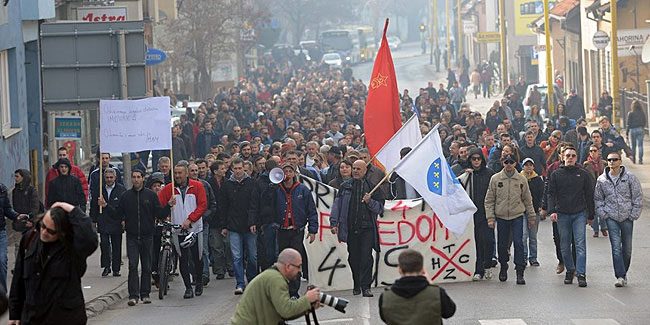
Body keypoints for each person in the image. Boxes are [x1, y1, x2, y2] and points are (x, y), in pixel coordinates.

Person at [9, 202, 98, 324]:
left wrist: (73, 211)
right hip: (33, 317)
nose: (44, 233)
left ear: (62, 232)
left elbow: (90, 239)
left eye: (51, 231)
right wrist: (15, 314)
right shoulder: (30, 239)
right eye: (42, 226)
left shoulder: (72, 248)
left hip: (64, 318)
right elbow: (18, 279)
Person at [330, 160, 385, 297]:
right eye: (353, 168)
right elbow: (337, 205)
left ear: (365, 171)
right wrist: (334, 223)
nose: (355, 171)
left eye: (358, 169)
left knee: (366, 257)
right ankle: (356, 284)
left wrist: (369, 202)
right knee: (353, 257)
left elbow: (379, 208)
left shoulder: (373, 188)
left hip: (367, 228)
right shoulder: (345, 186)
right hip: (351, 228)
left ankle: (366, 286)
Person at [230, 248, 321, 325]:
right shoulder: (276, 280)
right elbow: (286, 311)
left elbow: (282, 313)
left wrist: (307, 306)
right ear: (288, 266)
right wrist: (307, 299)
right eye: (298, 267)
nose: (299, 271)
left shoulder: (273, 276)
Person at [484, 154, 536, 285]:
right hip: (501, 217)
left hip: (517, 215)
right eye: (506, 162)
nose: (508, 164)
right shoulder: (495, 179)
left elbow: (527, 199)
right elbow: (489, 200)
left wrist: (531, 216)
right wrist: (490, 218)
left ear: (515, 163)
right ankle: (503, 266)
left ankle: (520, 271)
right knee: (502, 245)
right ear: (503, 163)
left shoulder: (521, 179)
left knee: (519, 243)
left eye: (511, 162)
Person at [158, 164, 207, 299]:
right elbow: (159, 204)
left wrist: (190, 220)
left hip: (195, 229)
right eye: (175, 173)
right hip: (177, 230)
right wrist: (167, 207)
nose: (178, 176)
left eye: (180, 173)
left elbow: (202, 205)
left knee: (197, 258)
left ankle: (198, 282)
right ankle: (188, 288)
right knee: (183, 259)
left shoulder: (197, 186)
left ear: (186, 174)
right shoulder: (169, 189)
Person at [548, 147, 595, 287]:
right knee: (564, 246)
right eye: (568, 155)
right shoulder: (556, 174)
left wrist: (590, 215)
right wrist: (552, 211)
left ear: (576, 158)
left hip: (579, 214)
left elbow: (589, 194)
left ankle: (581, 274)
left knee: (580, 245)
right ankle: (570, 270)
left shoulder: (583, 174)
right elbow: (551, 193)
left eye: (573, 156)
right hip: (562, 214)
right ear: (562, 157)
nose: (570, 158)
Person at [594, 151, 643, 287]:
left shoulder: (630, 178)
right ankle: (620, 276)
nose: (612, 162)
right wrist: (603, 214)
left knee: (626, 248)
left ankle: (624, 272)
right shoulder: (602, 180)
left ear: (620, 161)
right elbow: (598, 198)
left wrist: (633, 214)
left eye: (615, 160)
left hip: (627, 217)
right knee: (616, 246)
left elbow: (637, 196)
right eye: (609, 160)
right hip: (611, 217)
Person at [118, 170, 162, 306]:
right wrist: (105, 206)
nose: (136, 180)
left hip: (147, 236)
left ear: (143, 179)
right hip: (131, 236)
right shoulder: (126, 196)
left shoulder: (151, 196)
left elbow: (160, 212)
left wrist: (169, 205)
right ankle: (133, 295)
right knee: (132, 265)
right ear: (131, 179)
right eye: (134, 177)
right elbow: (118, 213)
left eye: (138, 177)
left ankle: (145, 294)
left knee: (147, 266)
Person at [274, 163, 318, 298]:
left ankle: (294, 291)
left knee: (295, 261)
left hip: (296, 231)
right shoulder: (276, 190)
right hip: (282, 230)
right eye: (285, 171)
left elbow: (311, 211)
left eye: (290, 171)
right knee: (283, 262)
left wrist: (312, 230)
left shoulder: (303, 190)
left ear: (294, 174)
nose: (287, 174)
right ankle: (284, 290)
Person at [379, 249, 456, 324]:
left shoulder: (386, 297)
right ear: (422, 269)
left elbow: (385, 318)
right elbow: (449, 312)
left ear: (400, 269)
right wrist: (431, 284)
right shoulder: (436, 293)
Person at [219, 158, 259, 295]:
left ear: (244, 169)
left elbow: (255, 204)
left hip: (249, 226)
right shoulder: (227, 185)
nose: (237, 171)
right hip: (233, 226)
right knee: (237, 257)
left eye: (240, 168)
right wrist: (224, 226)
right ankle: (240, 283)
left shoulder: (252, 183)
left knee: (253, 256)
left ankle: (252, 281)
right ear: (232, 170)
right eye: (235, 169)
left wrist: (253, 222)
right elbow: (223, 206)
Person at [463, 148, 495, 280]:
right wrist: (466, 176)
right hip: (472, 213)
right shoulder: (467, 175)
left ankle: (487, 264)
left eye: (478, 158)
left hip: (487, 212)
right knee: (477, 242)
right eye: (473, 159)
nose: (476, 161)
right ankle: (479, 269)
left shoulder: (489, 174)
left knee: (488, 240)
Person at [90, 168, 126, 277]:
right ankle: (106, 266)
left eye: (111, 177)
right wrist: (93, 220)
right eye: (107, 178)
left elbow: (124, 207)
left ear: (115, 178)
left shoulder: (121, 190)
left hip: (116, 221)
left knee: (116, 246)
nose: (109, 180)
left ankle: (116, 269)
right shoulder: (99, 190)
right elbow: (93, 206)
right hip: (103, 220)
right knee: (104, 244)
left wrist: (124, 219)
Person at [188, 163, 217, 288]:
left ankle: (204, 274)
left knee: (202, 249)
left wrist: (204, 217)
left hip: (202, 223)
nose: (195, 172)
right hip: (187, 224)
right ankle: (194, 274)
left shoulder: (205, 185)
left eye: (196, 170)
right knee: (189, 251)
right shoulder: (183, 187)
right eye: (192, 170)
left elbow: (212, 204)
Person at [208, 160, 234, 279]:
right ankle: (219, 269)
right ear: (215, 171)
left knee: (228, 245)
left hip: (227, 219)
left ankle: (230, 267)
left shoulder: (228, 183)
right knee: (216, 246)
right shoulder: (209, 184)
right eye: (222, 169)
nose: (225, 170)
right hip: (214, 220)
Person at [521, 158, 544, 266]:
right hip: (521, 211)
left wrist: (540, 206)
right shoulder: (519, 179)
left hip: (534, 211)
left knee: (533, 236)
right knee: (523, 235)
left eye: (530, 165)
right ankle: (524, 256)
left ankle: (533, 257)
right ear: (523, 167)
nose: (528, 167)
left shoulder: (538, 180)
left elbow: (541, 193)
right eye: (526, 165)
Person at [582, 145, 608, 238]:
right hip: (591, 190)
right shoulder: (586, 164)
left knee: (603, 209)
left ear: (598, 152)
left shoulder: (604, 163)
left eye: (595, 150)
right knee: (594, 210)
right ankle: (596, 229)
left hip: (603, 190)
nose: (593, 152)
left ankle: (604, 227)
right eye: (591, 151)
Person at [626, 100, 646, 164]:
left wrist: (627, 133)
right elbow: (644, 121)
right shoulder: (642, 113)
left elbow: (628, 124)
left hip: (632, 130)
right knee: (640, 145)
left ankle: (634, 159)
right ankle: (640, 160)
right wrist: (642, 127)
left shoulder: (630, 113)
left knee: (633, 146)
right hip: (640, 129)